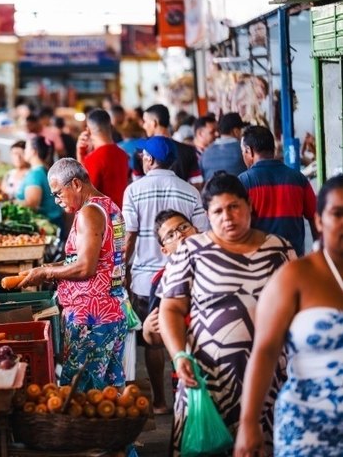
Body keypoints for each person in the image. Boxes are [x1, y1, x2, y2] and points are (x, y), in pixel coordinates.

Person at [159, 171, 295, 456]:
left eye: (234, 207)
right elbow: (171, 308)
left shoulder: (279, 250)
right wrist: (178, 355)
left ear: (249, 206)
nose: (227, 217)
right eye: (218, 211)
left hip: (272, 383)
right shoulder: (191, 250)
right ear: (207, 215)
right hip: (208, 381)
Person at [234, 175, 343, 457]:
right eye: (338, 214)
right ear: (318, 221)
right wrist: (249, 423)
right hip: (309, 427)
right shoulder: (295, 276)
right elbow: (266, 350)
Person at [18, 158, 127, 391]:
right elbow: (87, 258)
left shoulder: (89, 213)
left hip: (91, 317)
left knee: (80, 395)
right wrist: (47, 268)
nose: (57, 201)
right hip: (111, 311)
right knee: (107, 395)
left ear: (76, 184)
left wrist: (47, 271)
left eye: (58, 193)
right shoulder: (108, 205)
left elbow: (86, 266)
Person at [123, 136, 208, 415]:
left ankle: (160, 401)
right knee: (185, 333)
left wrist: (123, 270)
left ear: (148, 158)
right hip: (186, 277)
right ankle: (187, 392)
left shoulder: (134, 190)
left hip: (146, 279)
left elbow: (130, 237)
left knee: (154, 339)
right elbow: (203, 234)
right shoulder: (190, 192)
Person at [239, 125, 318, 256]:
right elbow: (315, 216)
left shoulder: (243, 182)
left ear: (249, 151)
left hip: (258, 261)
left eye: (243, 152)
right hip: (293, 260)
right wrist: (317, 249)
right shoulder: (299, 179)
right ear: (273, 149)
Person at [141, 210, 199, 351]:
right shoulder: (161, 280)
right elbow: (156, 338)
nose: (180, 234)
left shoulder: (220, 260)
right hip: (188, 362)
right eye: (171, 235)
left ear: (196, 230)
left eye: (184, 227)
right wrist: (147, 330)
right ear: (165, 250)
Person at [142, 104, 203, 189]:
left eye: (145, 121)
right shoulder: (188, 150)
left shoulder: (143, 153)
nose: (143, 126)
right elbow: (197, 184)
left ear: (154, 123)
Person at [79, 109, 129, 209]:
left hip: (103, 218)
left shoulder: (93, 159)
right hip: (121, 215)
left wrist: (80, 154)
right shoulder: (123, 155)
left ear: (88, 130)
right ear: (111, 127)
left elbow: (85, 195)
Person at [17, 136, 64, 228]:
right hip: (55, 222)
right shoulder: (44, 169)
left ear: (33, 151)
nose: (24, 151)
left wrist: (10, 202)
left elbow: (32, 203)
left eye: (26, 148)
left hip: (47, 226)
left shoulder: (35, 174)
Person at [200, 112, 248, 181]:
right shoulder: (243, 149)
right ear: (236, 131)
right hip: (237, 190)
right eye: (241, 131)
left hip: (212, 191)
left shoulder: (205, 153)